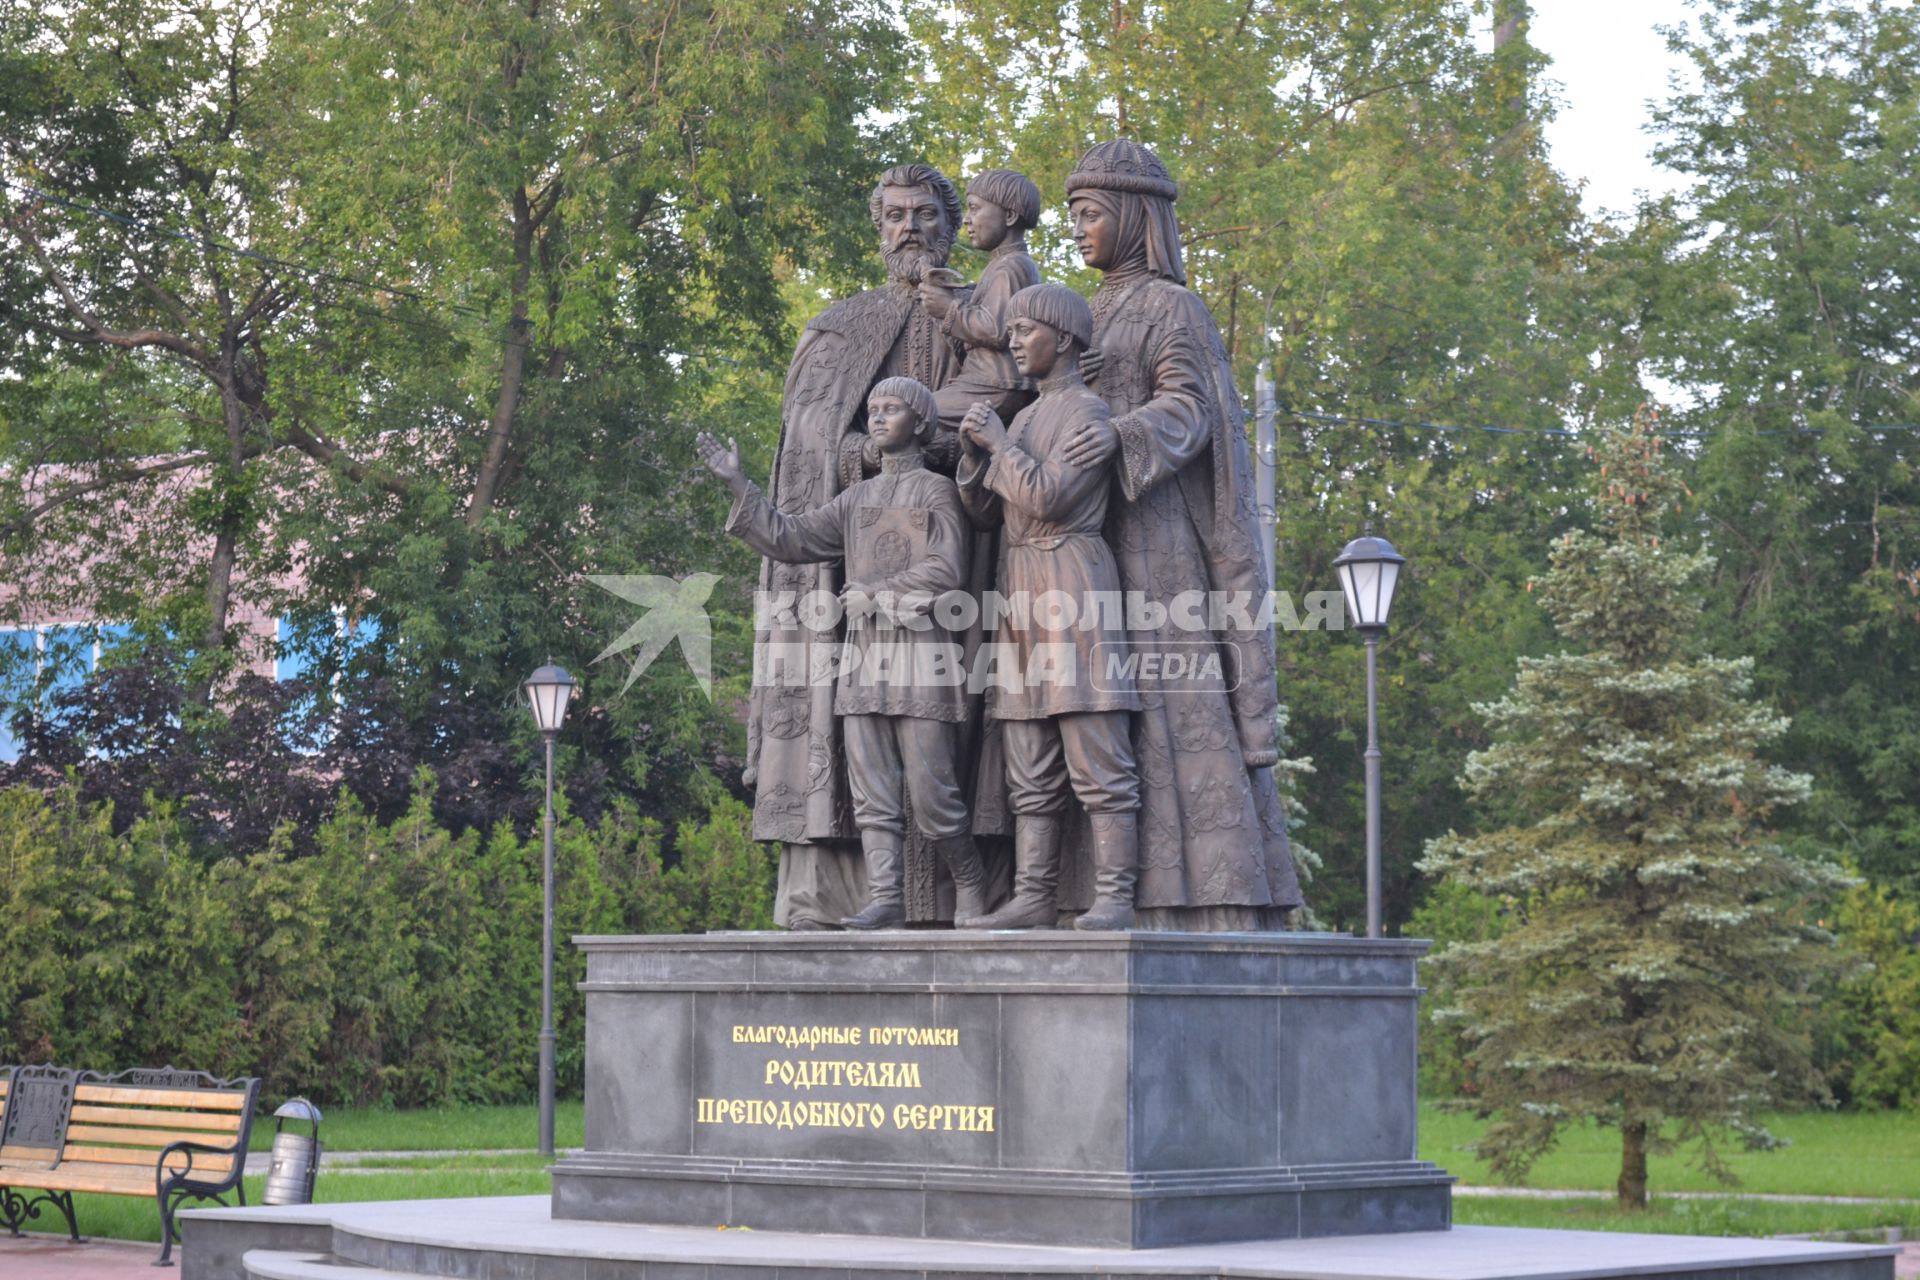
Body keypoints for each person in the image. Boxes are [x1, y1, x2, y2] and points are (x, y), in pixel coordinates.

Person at [1056, 140, 1304, 929]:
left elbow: (1191, 408)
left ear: (1133, 216)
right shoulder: (1078, 311)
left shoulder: (1172, 308)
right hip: (1074, 547)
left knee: (1169, 710)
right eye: (1072, 217)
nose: (1078, 232)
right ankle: (1084, 891)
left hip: (1155, 546)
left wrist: (1120, 435)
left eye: (1090, 215)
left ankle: (1199, 901)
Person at [747, 163, 987, 930]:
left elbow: (1012, 403)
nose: (909, 227)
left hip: (965, 581)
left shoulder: (988, 315)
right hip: (859, 586)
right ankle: (865, 893)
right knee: (870, 765)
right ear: (877, 230)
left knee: (940, 777)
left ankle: (976, 892)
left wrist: (942, 444)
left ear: (952, 226)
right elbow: (805, 460)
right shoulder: (839, 327)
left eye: (924, 213)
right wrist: (859, 454)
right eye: (893, 215)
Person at [698, 378, 989, 929]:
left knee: (933, 793)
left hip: (921, 654)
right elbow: (792, 537)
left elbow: (947, 569)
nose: (878, 419)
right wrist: (740, 485)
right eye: (873, 410)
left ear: (920, 424)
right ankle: (886, 898)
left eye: (892, 409)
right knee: (873, 789)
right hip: (864, 658)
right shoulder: (858, 498)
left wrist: (876, 593)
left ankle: (970, 881)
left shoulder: (936, 491)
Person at [955, 284, 1142, 930]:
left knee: (1094, 741)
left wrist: (1001, 447)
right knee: (1028, 749)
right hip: (1021, 582)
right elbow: (988, 513)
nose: (1012, 341)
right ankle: (1034, 894)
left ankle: (1116, 895)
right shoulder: (1029, 416)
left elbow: (1048, 498)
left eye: (1024, 329)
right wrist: (973, 459)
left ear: (1062, 339)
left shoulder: (1088, 414)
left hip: (1071, 579)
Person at [919, 168, 1043, 435]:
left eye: (975, 209)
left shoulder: (1011, 267)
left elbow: (997, 330)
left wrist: (948, 307)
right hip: (983, 382)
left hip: (996, 385)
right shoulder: (1001, 264)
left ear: (1009, 215)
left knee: (914, 412)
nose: (967, 220)